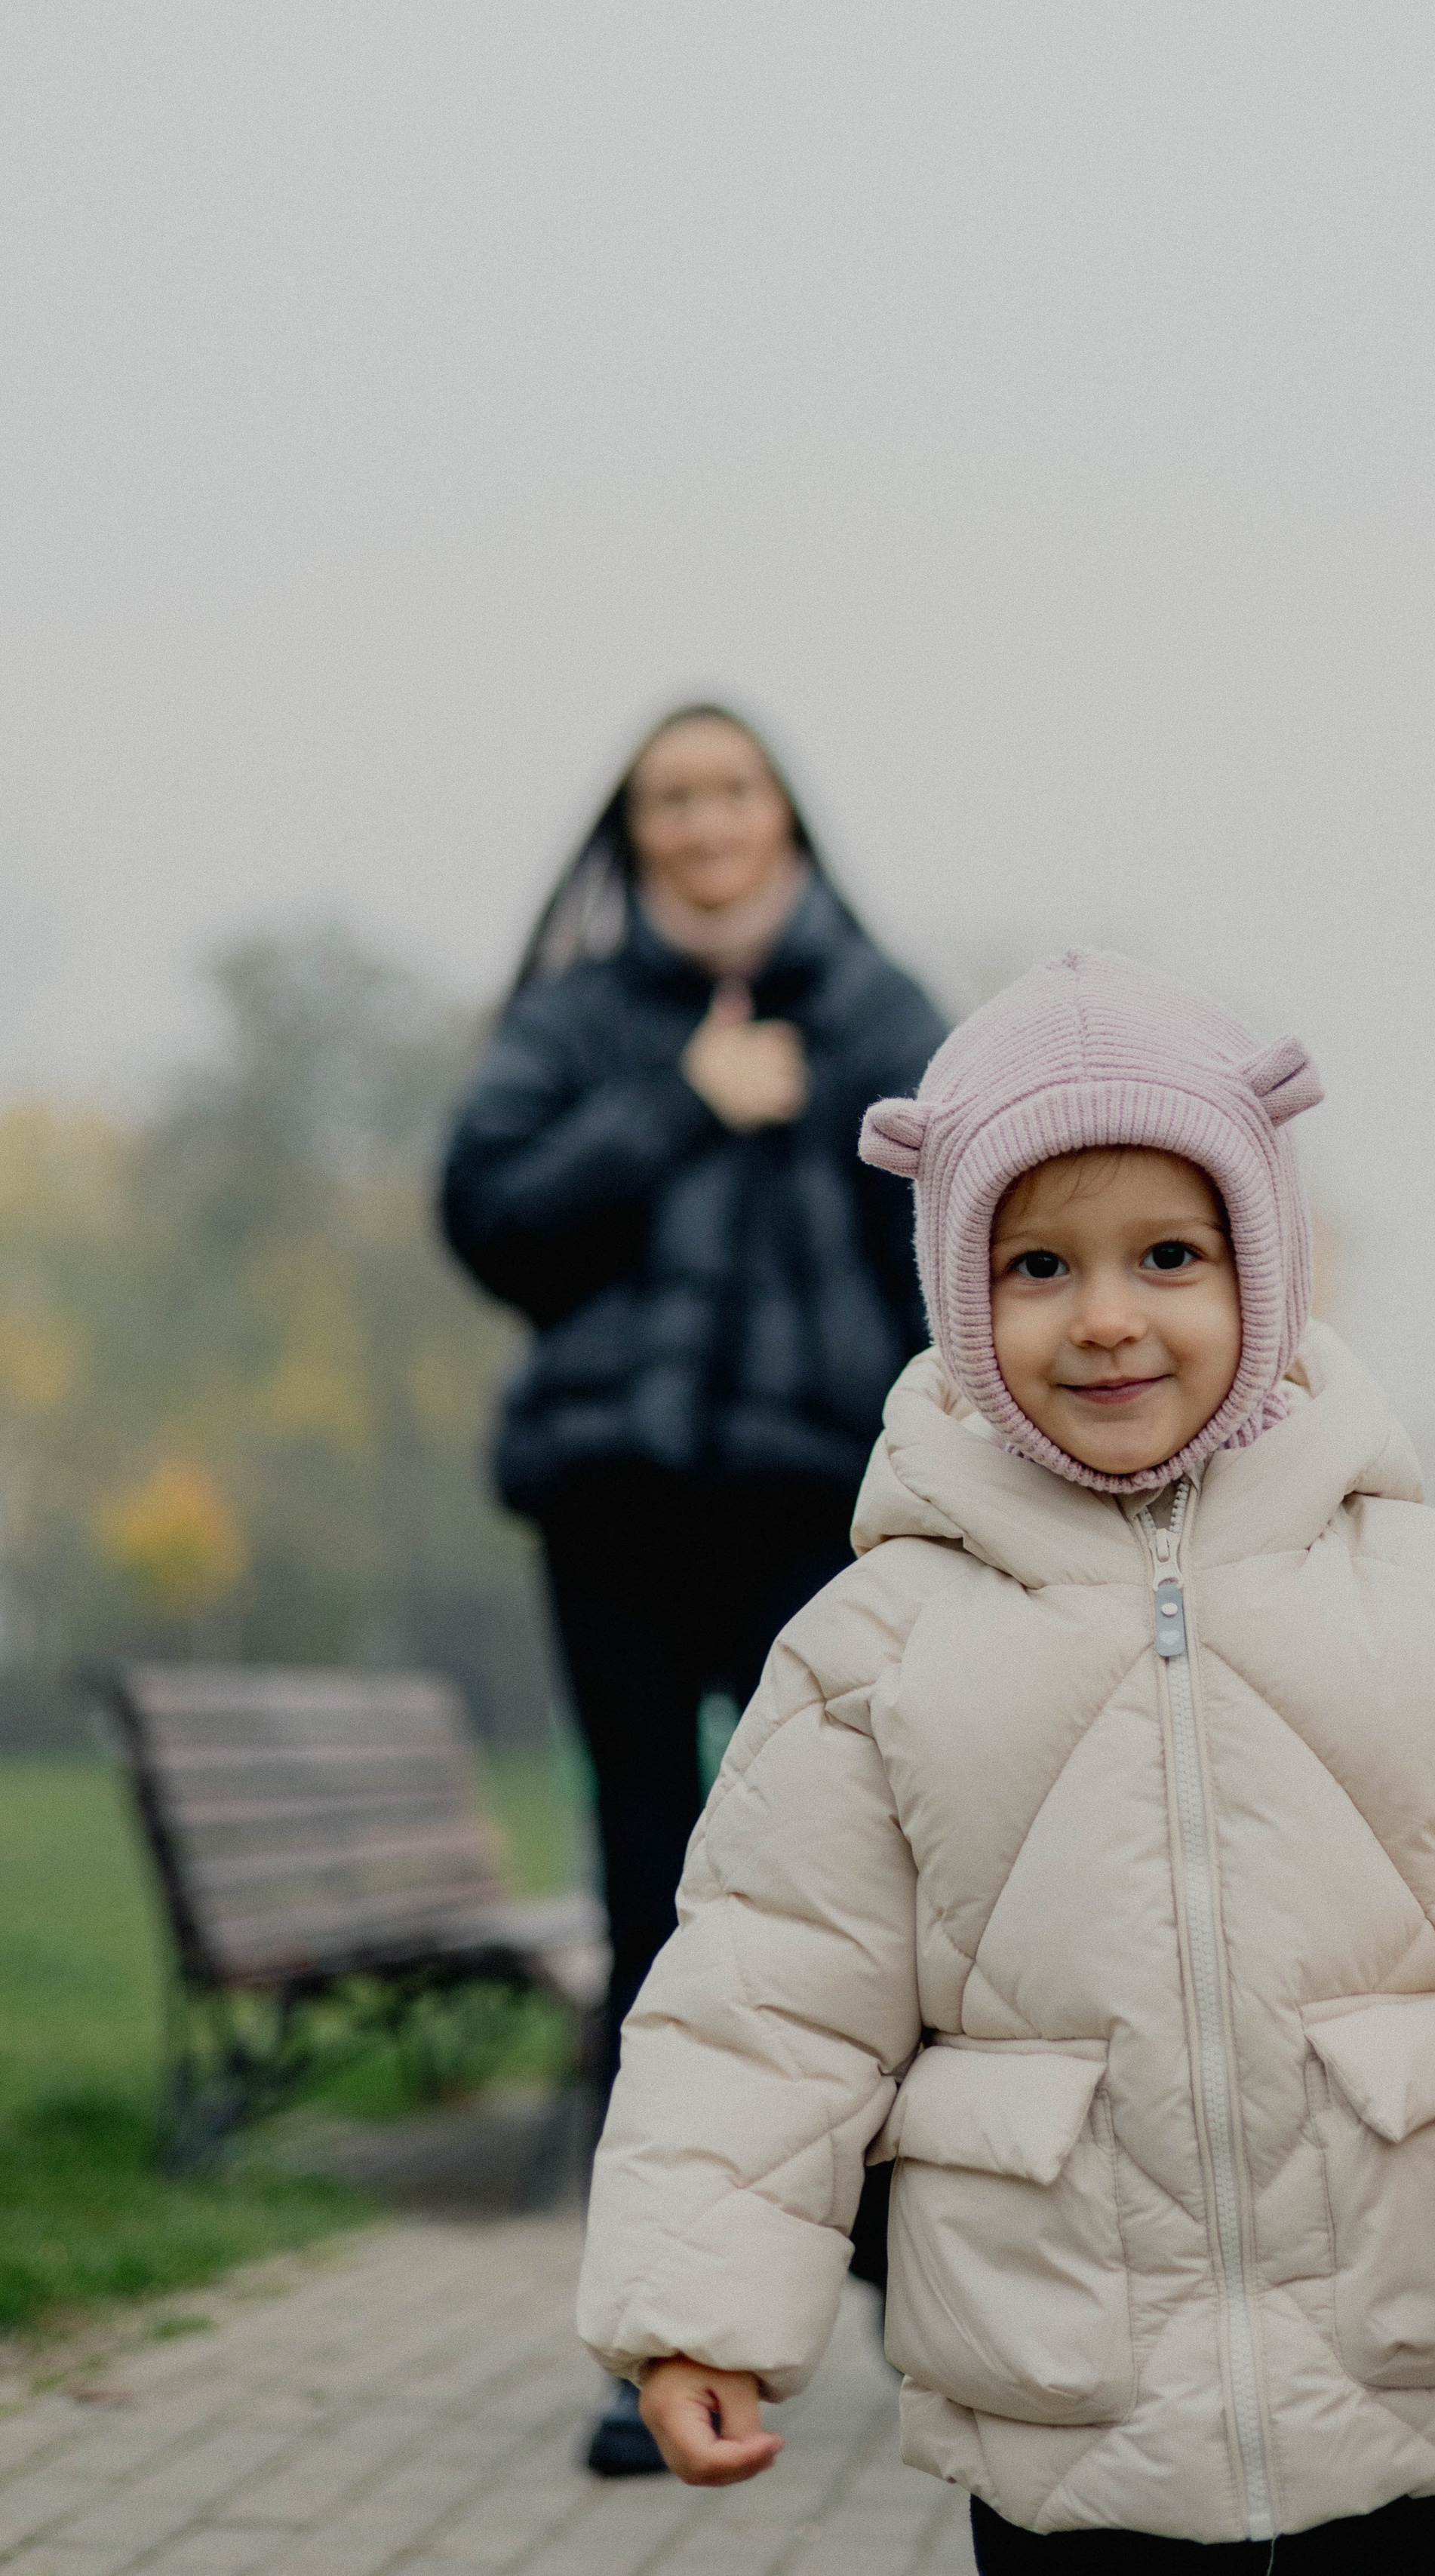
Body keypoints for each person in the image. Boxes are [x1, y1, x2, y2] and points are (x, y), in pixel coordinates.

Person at [576, 947, 1435, 2565]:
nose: (1103, 1319)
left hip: (1394, 2348)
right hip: (1055, 2384)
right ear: (957, 1295)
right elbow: (766, 2002)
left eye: (1166, 1254)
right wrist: (697, 2309)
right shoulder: (872, 1648)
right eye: (1033, 1267)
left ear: (1265, 1271)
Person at [440, 702, 945, 2474]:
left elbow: (960, 1249)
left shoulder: (881, 1012)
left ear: (779, 811)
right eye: (670, 796)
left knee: (856, 1904)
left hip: (825, 1522)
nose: (702, 821)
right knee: (650, 1901)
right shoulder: (580, 1021)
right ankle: (660, 2335)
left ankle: (910, 2271)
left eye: (728, 788)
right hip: (619, 1520)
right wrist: (675, 1105)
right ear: (633, 829)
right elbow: (485, 1215)